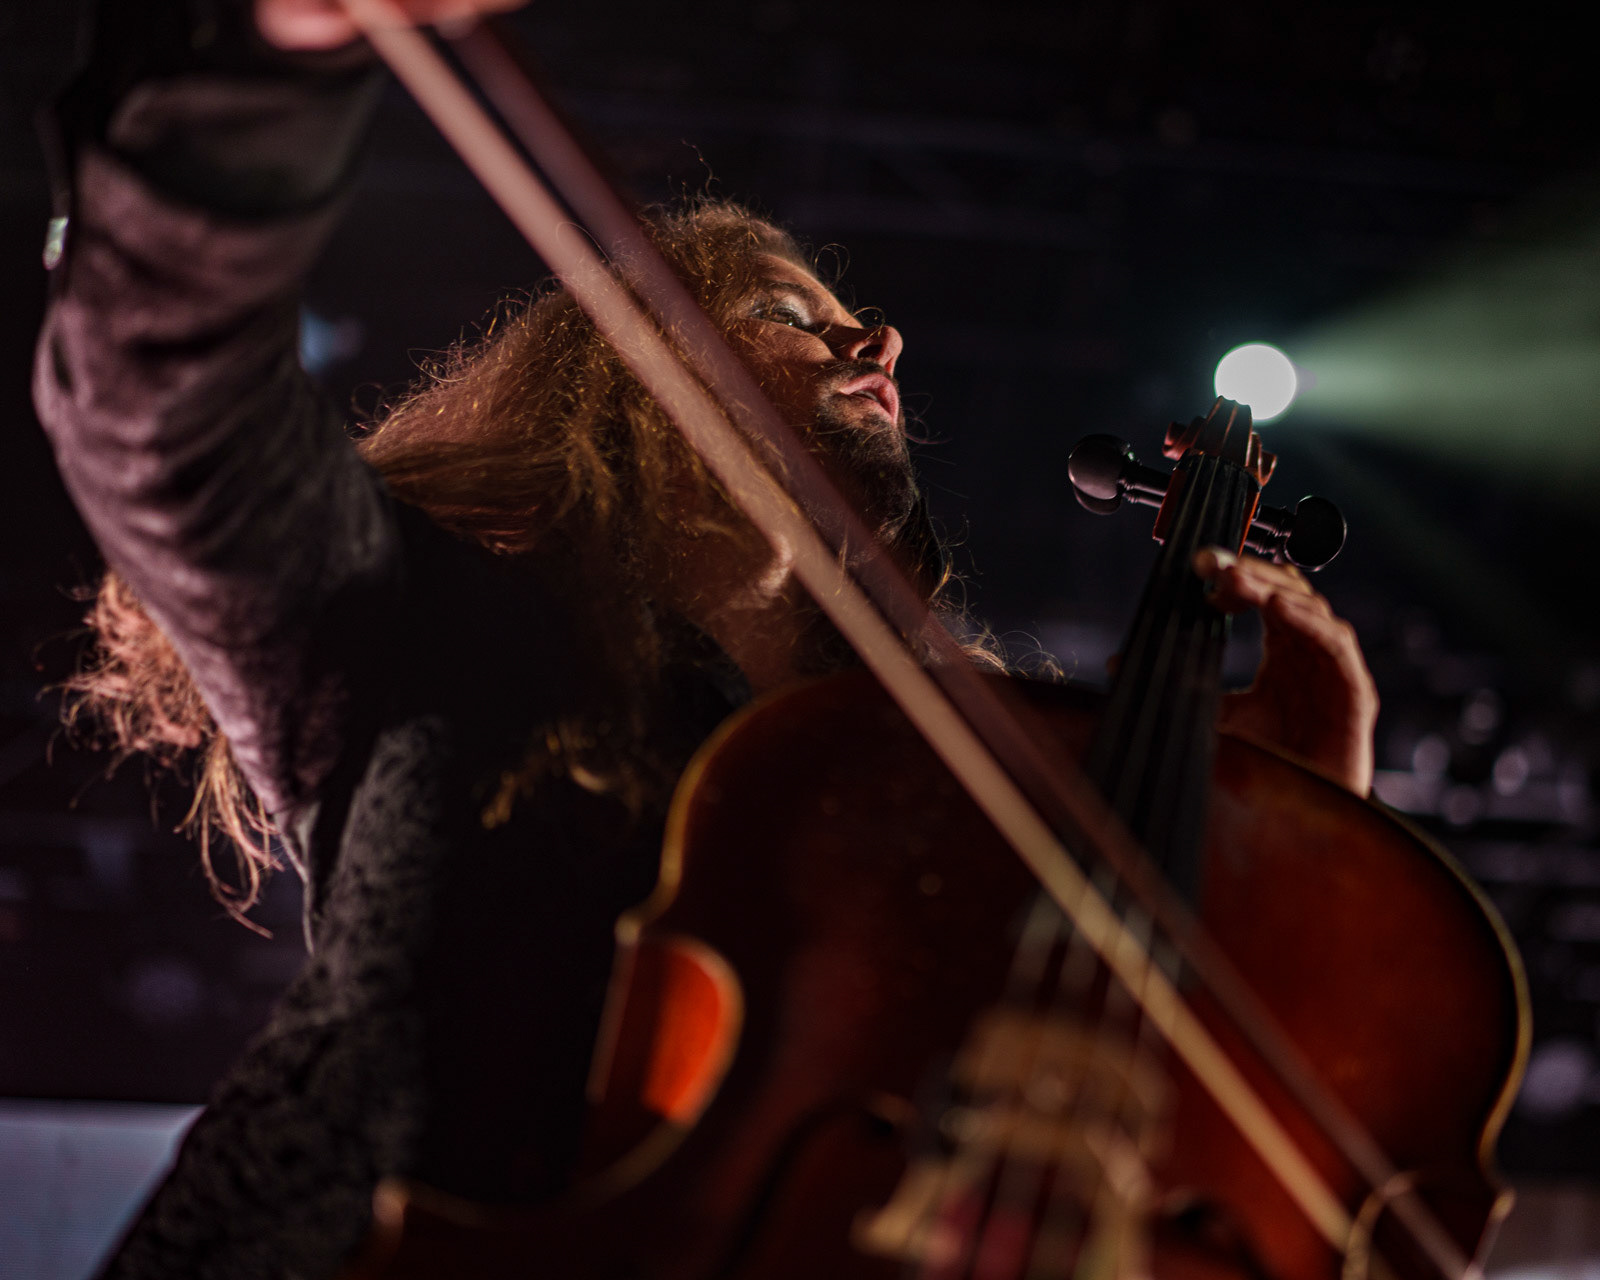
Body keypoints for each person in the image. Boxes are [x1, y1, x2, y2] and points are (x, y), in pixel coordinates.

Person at [33, 1, 1380, 1275]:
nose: (879, 338)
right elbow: (165, 417)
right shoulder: (431, 623)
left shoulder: (942, 783)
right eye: (790, 313)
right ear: (632, 370)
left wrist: (1289, 836)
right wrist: (277, 57)